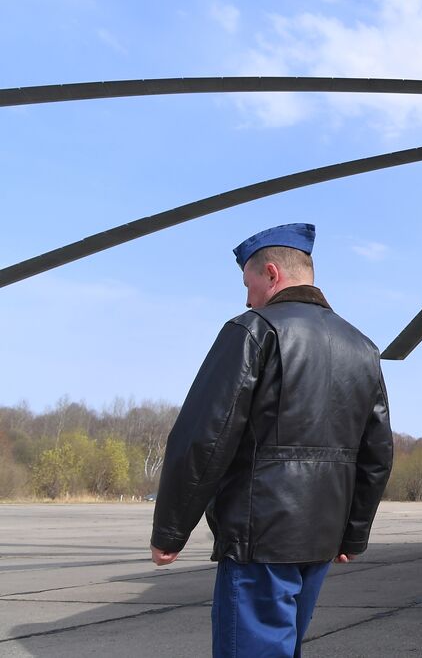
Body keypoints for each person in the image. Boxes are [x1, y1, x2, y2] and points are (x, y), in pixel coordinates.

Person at [150, 223, 394, 657]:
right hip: (320, 542)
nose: (247, 298)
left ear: (272, 274)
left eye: (249, 284)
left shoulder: (254, 330)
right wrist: (352, 535)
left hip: (258, 537)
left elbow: (205, 436)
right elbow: (376, 455)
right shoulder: (364, 348)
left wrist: (171, 529)